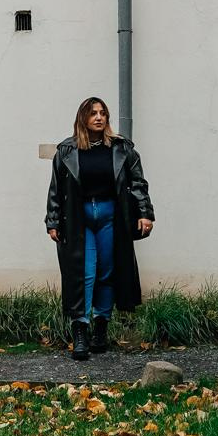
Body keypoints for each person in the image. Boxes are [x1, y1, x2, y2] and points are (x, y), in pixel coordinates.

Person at [45, 96, 154, 361]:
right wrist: (53, 220)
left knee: (107, 271)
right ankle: (80, 330)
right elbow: (56, 190)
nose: (99, 117)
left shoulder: (121, 149)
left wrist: (144, 213)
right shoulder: (67, 151)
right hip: (79, 219)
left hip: (110, 216)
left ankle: (101, 329)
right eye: (93, 113)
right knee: (86, 273)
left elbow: (138, 183)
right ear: (83, 118)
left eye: (103, 113)